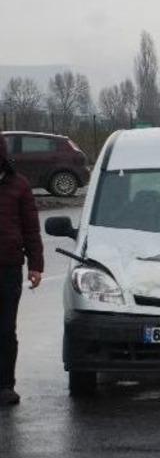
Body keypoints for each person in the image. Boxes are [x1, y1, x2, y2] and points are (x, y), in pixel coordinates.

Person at [0, 142, 44, 406]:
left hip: (8, 267)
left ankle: (5, 385)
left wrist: (36, 265)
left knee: (5, 328)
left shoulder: (19, 185)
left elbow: (31, 228)